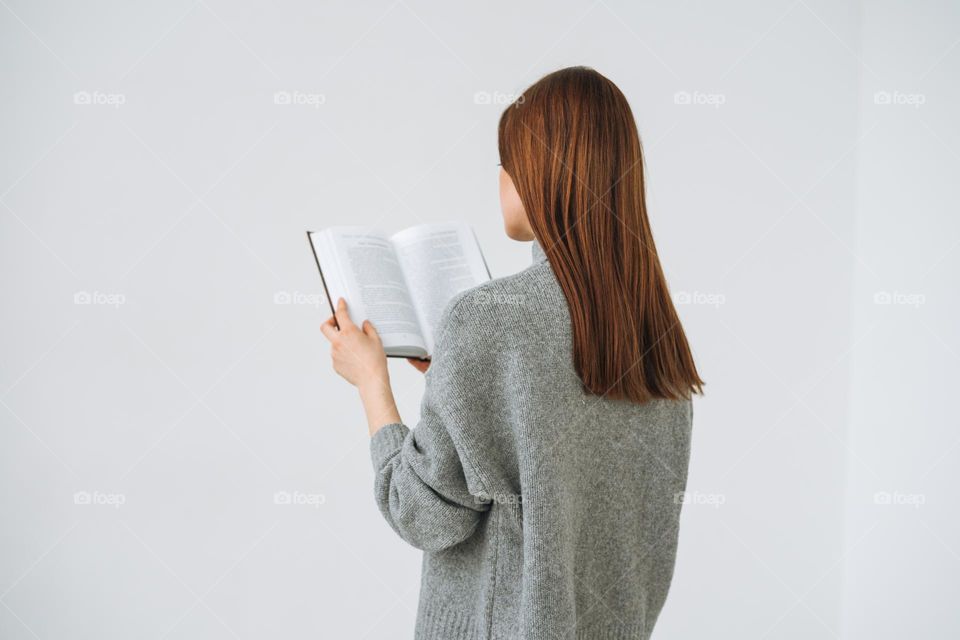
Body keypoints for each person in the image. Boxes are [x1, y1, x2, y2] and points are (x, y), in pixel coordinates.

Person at [320, 66, 704, 640]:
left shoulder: (492, 319)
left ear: (538, 174)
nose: (499, 176)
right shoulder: (655, 334)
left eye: (505, 160)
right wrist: (454, 377)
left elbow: (422, 514)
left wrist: (372, 382)